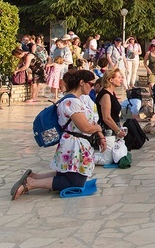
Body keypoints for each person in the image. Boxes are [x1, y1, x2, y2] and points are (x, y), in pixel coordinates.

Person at [11, 70, 106, 200]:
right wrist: (98, 128)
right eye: (91, 83)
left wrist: (98, 132)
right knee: (75, 182)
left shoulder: (75, 100)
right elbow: (85, 127)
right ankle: (32, 183)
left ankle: (34, 177)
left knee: (69, 173)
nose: (93, 87)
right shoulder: (72, 102)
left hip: (74, 142)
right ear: (81, 83)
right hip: (74, 144)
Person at [95, 68, 127, 139]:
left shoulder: (111, 93)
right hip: (108, 130)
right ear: (111, 80)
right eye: (119, 77)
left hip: (113, 128)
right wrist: (118, 131)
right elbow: (106, 117)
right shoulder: (106, 95)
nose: (121, 79)